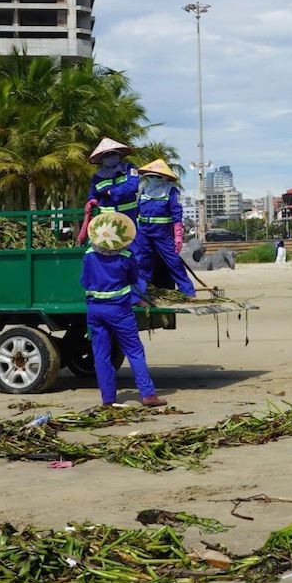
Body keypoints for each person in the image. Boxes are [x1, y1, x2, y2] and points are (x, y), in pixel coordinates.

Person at [81, 210, 167, 409]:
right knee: (134, 351)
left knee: (101, 354)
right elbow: (136, 280)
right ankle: (148, 395)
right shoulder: (125, 256)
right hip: (118, 310)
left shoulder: (89, 255)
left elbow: (83, 280)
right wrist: (139, 299)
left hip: (94, 309)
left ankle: (108, 399)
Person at [134, 159, 196, 297]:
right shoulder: (144, 189)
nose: (154, 179)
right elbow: (137, 210)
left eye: (157, 176)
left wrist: (178, 236)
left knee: (173, 262)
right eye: (151, 176)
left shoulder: (171, 190)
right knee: (143, 261)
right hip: (144, 232)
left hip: (163, 234)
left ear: (164, 178)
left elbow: (176, 214)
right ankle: (144, 291)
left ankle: (188, 291)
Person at [84, 138, 140, 224]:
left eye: (113, 153)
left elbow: (133, 186)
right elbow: (93, 194)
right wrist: (92, 201)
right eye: (106, 155)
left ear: (119, 155)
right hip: (106, 219)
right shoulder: (97, 176)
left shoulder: (129, 168)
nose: (110, 157)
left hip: (129, 216)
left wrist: (111, 192)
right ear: (102, 159)